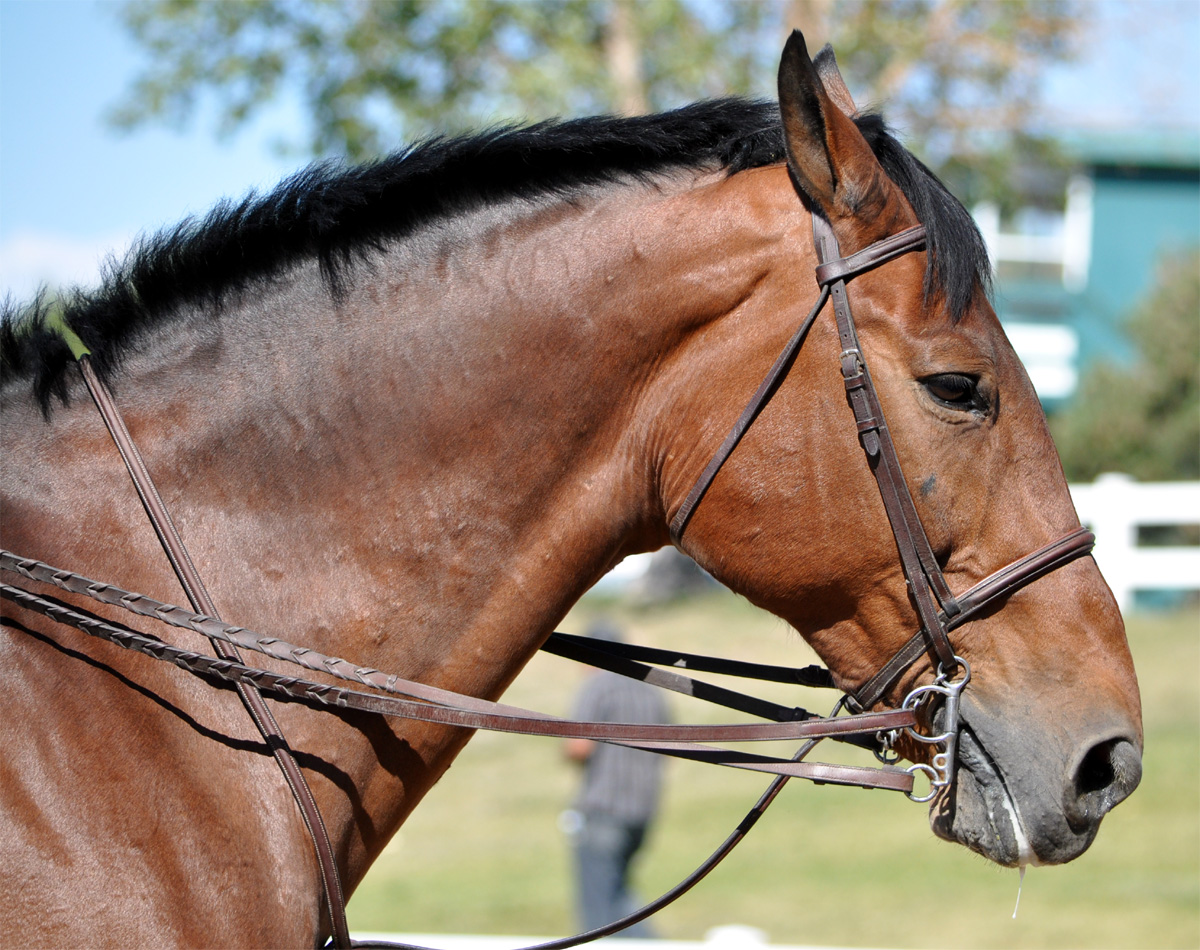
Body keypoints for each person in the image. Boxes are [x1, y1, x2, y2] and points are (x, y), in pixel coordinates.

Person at [562, 620, 670, 938]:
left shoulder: (599, 686)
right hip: (642, 812)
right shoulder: (651, 692)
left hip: (604, 809)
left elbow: (578, 748)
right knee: (621, 896)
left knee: (598, 914)